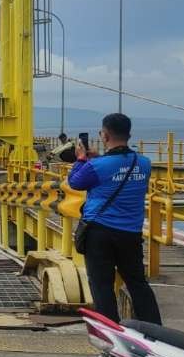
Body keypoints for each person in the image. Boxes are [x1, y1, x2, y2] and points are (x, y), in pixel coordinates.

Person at [68, 113, 161, 324]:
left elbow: (75, 182)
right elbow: (119, 166)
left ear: (105, 135)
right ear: (129, 134)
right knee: (137, 283)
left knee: (102, 285)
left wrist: (81, 159)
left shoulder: (96, 166)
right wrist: (98, 159)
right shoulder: (144, 163)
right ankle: (155, 330)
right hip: (131, 233)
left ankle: (110, 332)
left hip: (99, 232)